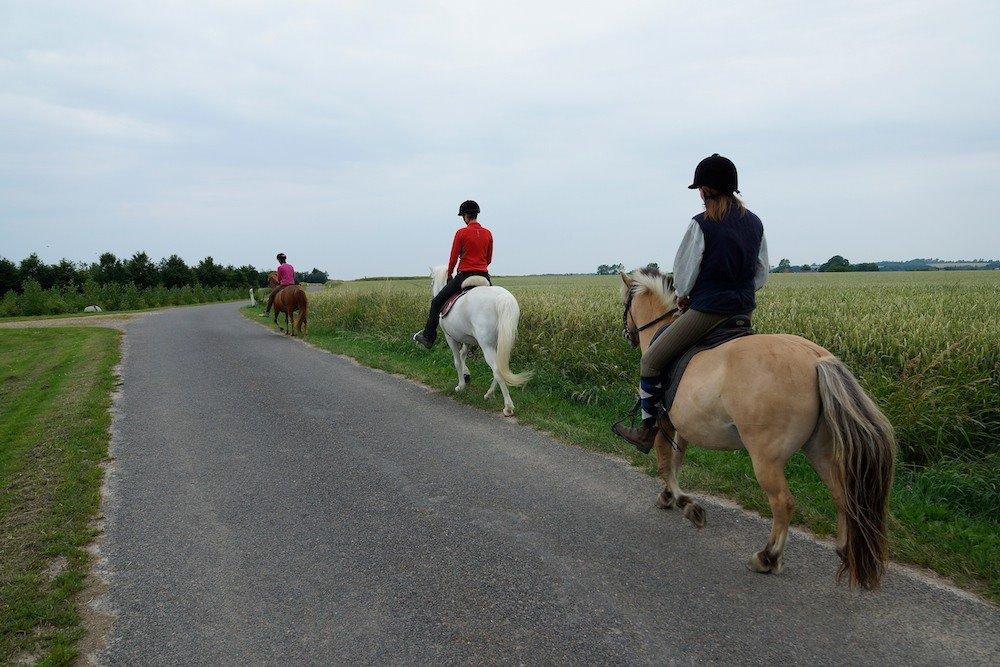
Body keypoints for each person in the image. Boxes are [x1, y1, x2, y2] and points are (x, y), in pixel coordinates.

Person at [613, 154, 769, 452]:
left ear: (705, 190)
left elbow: (684, 277)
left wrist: (685, 297)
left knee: (651, 360)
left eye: (699, 188)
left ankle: (646, 431)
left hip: (708, 312)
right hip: (743, 314)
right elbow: (760, 275)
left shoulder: (701, 224)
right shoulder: (755, 223)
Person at [413, 200, 493, 348]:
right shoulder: (488, 233)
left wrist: (450, 274)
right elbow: (488, 259)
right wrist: (480, 267)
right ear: (476, 214)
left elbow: (453, 258)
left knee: (436, 302)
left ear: (465, 216)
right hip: (484, 276)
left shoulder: (461, 232)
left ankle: (428, 337)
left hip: (465, 275)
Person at [262, 252, 296, 316]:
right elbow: (293, 276)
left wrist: (280, 282)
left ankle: (267, 312)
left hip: (284, 285)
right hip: (292, 285)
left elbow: (279, 279)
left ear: (279, 260)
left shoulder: (280, 267)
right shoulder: (291, 266)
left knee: (271, 296)